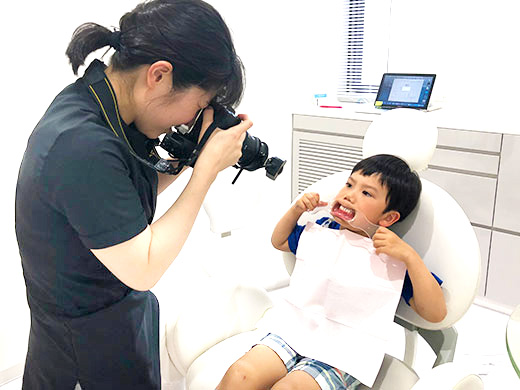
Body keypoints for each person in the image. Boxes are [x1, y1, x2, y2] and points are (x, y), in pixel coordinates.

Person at [15, 1, 252, 389]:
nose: (188, 120)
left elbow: (119, 195)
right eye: (198, 106)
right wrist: (206, 170)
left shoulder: (96, 101)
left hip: (114, 317)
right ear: (159, 76)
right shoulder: (82, 144)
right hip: (85, 347)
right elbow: (143, 267)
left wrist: (187, 155)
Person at [217, 154, 447, 390]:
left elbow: (435, 313)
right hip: (293, 331)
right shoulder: (322, 230)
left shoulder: (394, 255)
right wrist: (296, 209)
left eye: (366, 193)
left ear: (388, 217)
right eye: (349, 184)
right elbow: (280, 241)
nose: (349, 194)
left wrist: (410, 257)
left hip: (343, 352)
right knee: (240, 373)